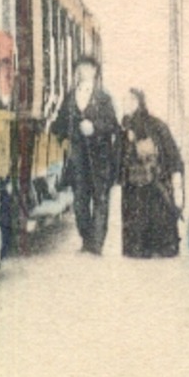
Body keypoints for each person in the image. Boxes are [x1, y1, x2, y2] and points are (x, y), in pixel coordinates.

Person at [49, 56, 120, 255]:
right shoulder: (71, 97)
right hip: (78, 159)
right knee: (80, 200)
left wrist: (95, 127)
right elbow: (61, 123)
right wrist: (59, 136)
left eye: (88, 69)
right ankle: (86, 239)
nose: (84, 72)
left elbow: (113, 125)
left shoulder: (104, 98)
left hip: (100, 159)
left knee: (100, 200)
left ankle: (96, 245)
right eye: (80, 69)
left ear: (95, 72)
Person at [120, 89, 185, 259]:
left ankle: (147, 248)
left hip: (152, 181)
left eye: (129, 101)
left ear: (138, 102)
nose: (125, 104)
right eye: (124, 101)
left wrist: (176, 176)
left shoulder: (154, 125)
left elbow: (171, 154)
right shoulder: (125, 127)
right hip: (137, 183)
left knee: (153, 213)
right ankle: (152, 248)